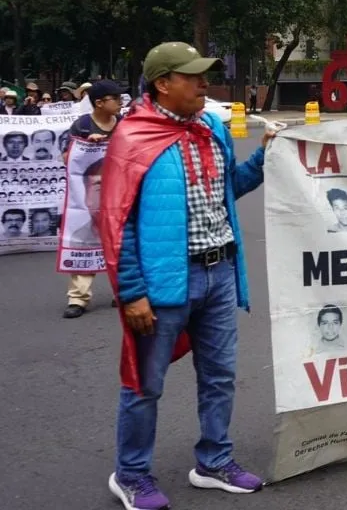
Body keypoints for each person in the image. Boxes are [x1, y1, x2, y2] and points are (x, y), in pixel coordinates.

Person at [99, 41, 273, 508]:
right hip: (164, 284)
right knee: (145, 384)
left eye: (204, 76)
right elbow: (118, 221)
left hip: (219, 274)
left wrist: (261, 160)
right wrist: (132, 292)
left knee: (219, 377)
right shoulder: (132, 138)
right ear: (162, 83)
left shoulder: (213, 128)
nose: (203, 84)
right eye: (192, 76)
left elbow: (227, 189)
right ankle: (131, 474)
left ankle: (214, 461)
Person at [60, 80, 125, 318]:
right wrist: (87, 144)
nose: (120, 103)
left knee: (121, 243)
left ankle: (122, 292)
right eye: (115, 99)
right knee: (85, 239)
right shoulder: (82, 125)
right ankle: (78, 298)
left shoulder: (124, 125)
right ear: (99, 103)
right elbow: (67, 158)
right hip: (91, 192)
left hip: (118, 193)